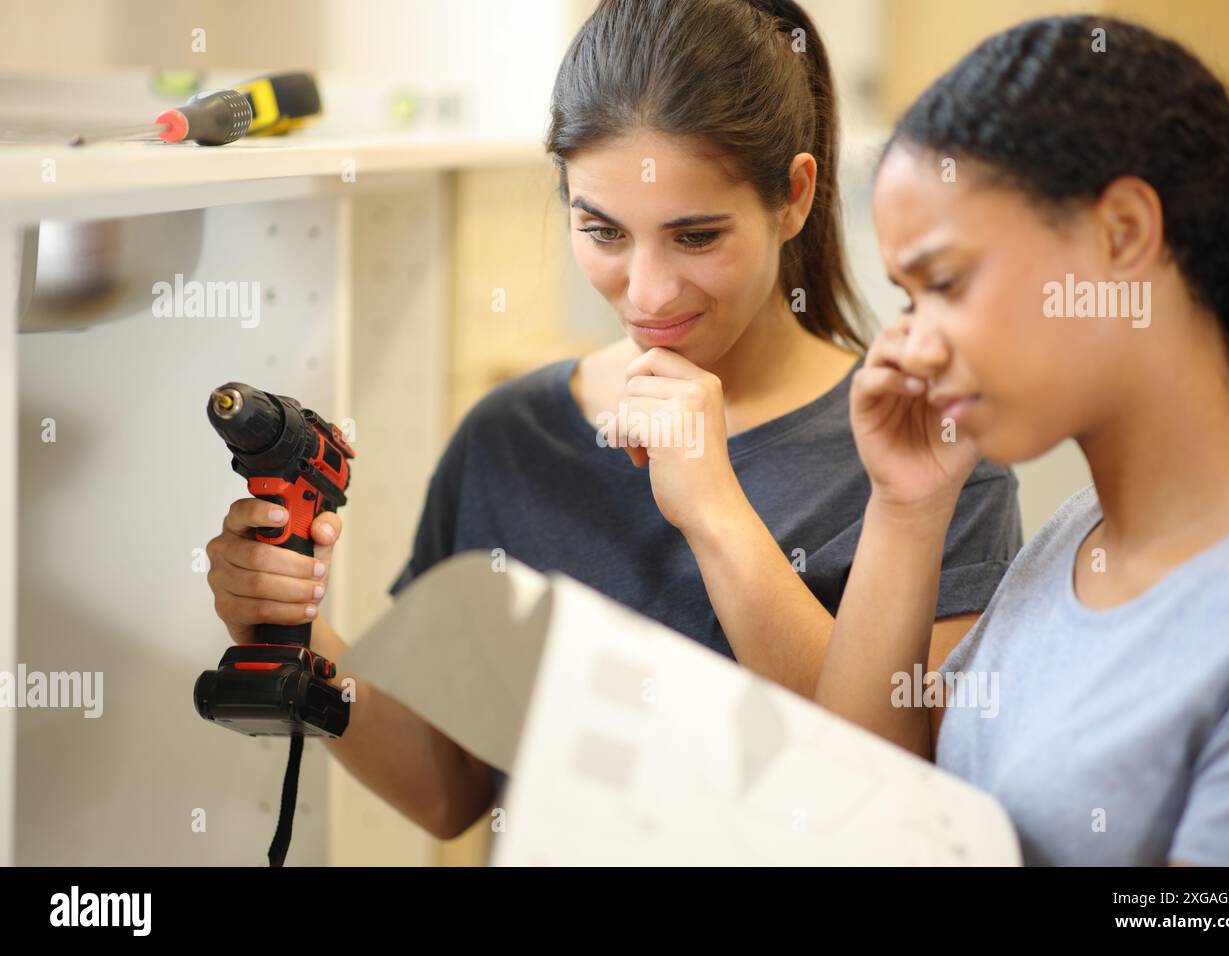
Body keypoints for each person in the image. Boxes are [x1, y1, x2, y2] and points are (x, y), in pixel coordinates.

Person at [204, 0, 1021, 841]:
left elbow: (897, 814)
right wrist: (299, 640)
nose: (649, 292)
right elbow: (454, 792)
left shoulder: (923, 461)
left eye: (696, 237)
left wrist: (714, 510)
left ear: (794, 197)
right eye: (602, 231)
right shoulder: (512, 437)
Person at [815, 14, 1229, 865]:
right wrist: (905, 507)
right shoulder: (1075, 537)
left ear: (1122, 234)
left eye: (946, 282)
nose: (912, 347)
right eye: (907, 299)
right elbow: (865, 810)